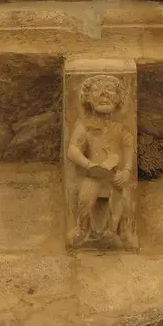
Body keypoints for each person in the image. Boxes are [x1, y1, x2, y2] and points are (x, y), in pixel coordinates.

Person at [67, 74, 134, 248]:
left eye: (110, 90)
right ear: (87, 98)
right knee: (85, 199)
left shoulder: (120, 128)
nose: (104, 94)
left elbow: (128, 148)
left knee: (125, 201)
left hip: (115, 174)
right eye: (97, 90)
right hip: (94, 174)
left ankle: (123, 230)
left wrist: (127, 170)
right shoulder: (84, 126)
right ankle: (83, 229)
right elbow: (73, 150)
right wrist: (90, 165)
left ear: (119, 98)